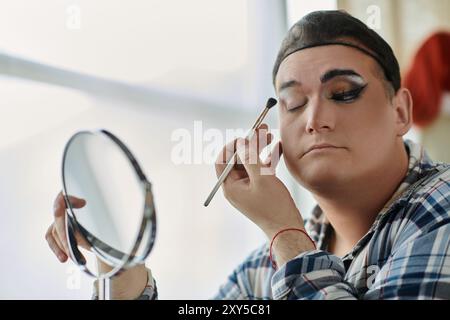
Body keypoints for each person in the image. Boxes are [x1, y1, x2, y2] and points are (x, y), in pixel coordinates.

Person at [45, 10, 450, 300]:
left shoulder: (441, 207)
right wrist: (119, 266)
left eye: (343, 93)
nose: (314, 119)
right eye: (292, 103)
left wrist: (284, 232)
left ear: (400, 112)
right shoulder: (262, 269)